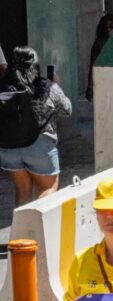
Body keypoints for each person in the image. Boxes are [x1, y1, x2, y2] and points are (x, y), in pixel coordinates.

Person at [0, 47, 68, 205]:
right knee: (48, 187)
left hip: (8, 147)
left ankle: (23, 229)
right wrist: (56, 85)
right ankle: (35, 228)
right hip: (39, 146)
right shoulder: (45, 86)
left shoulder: (3, 87)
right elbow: (66, 110)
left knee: (22, 190)